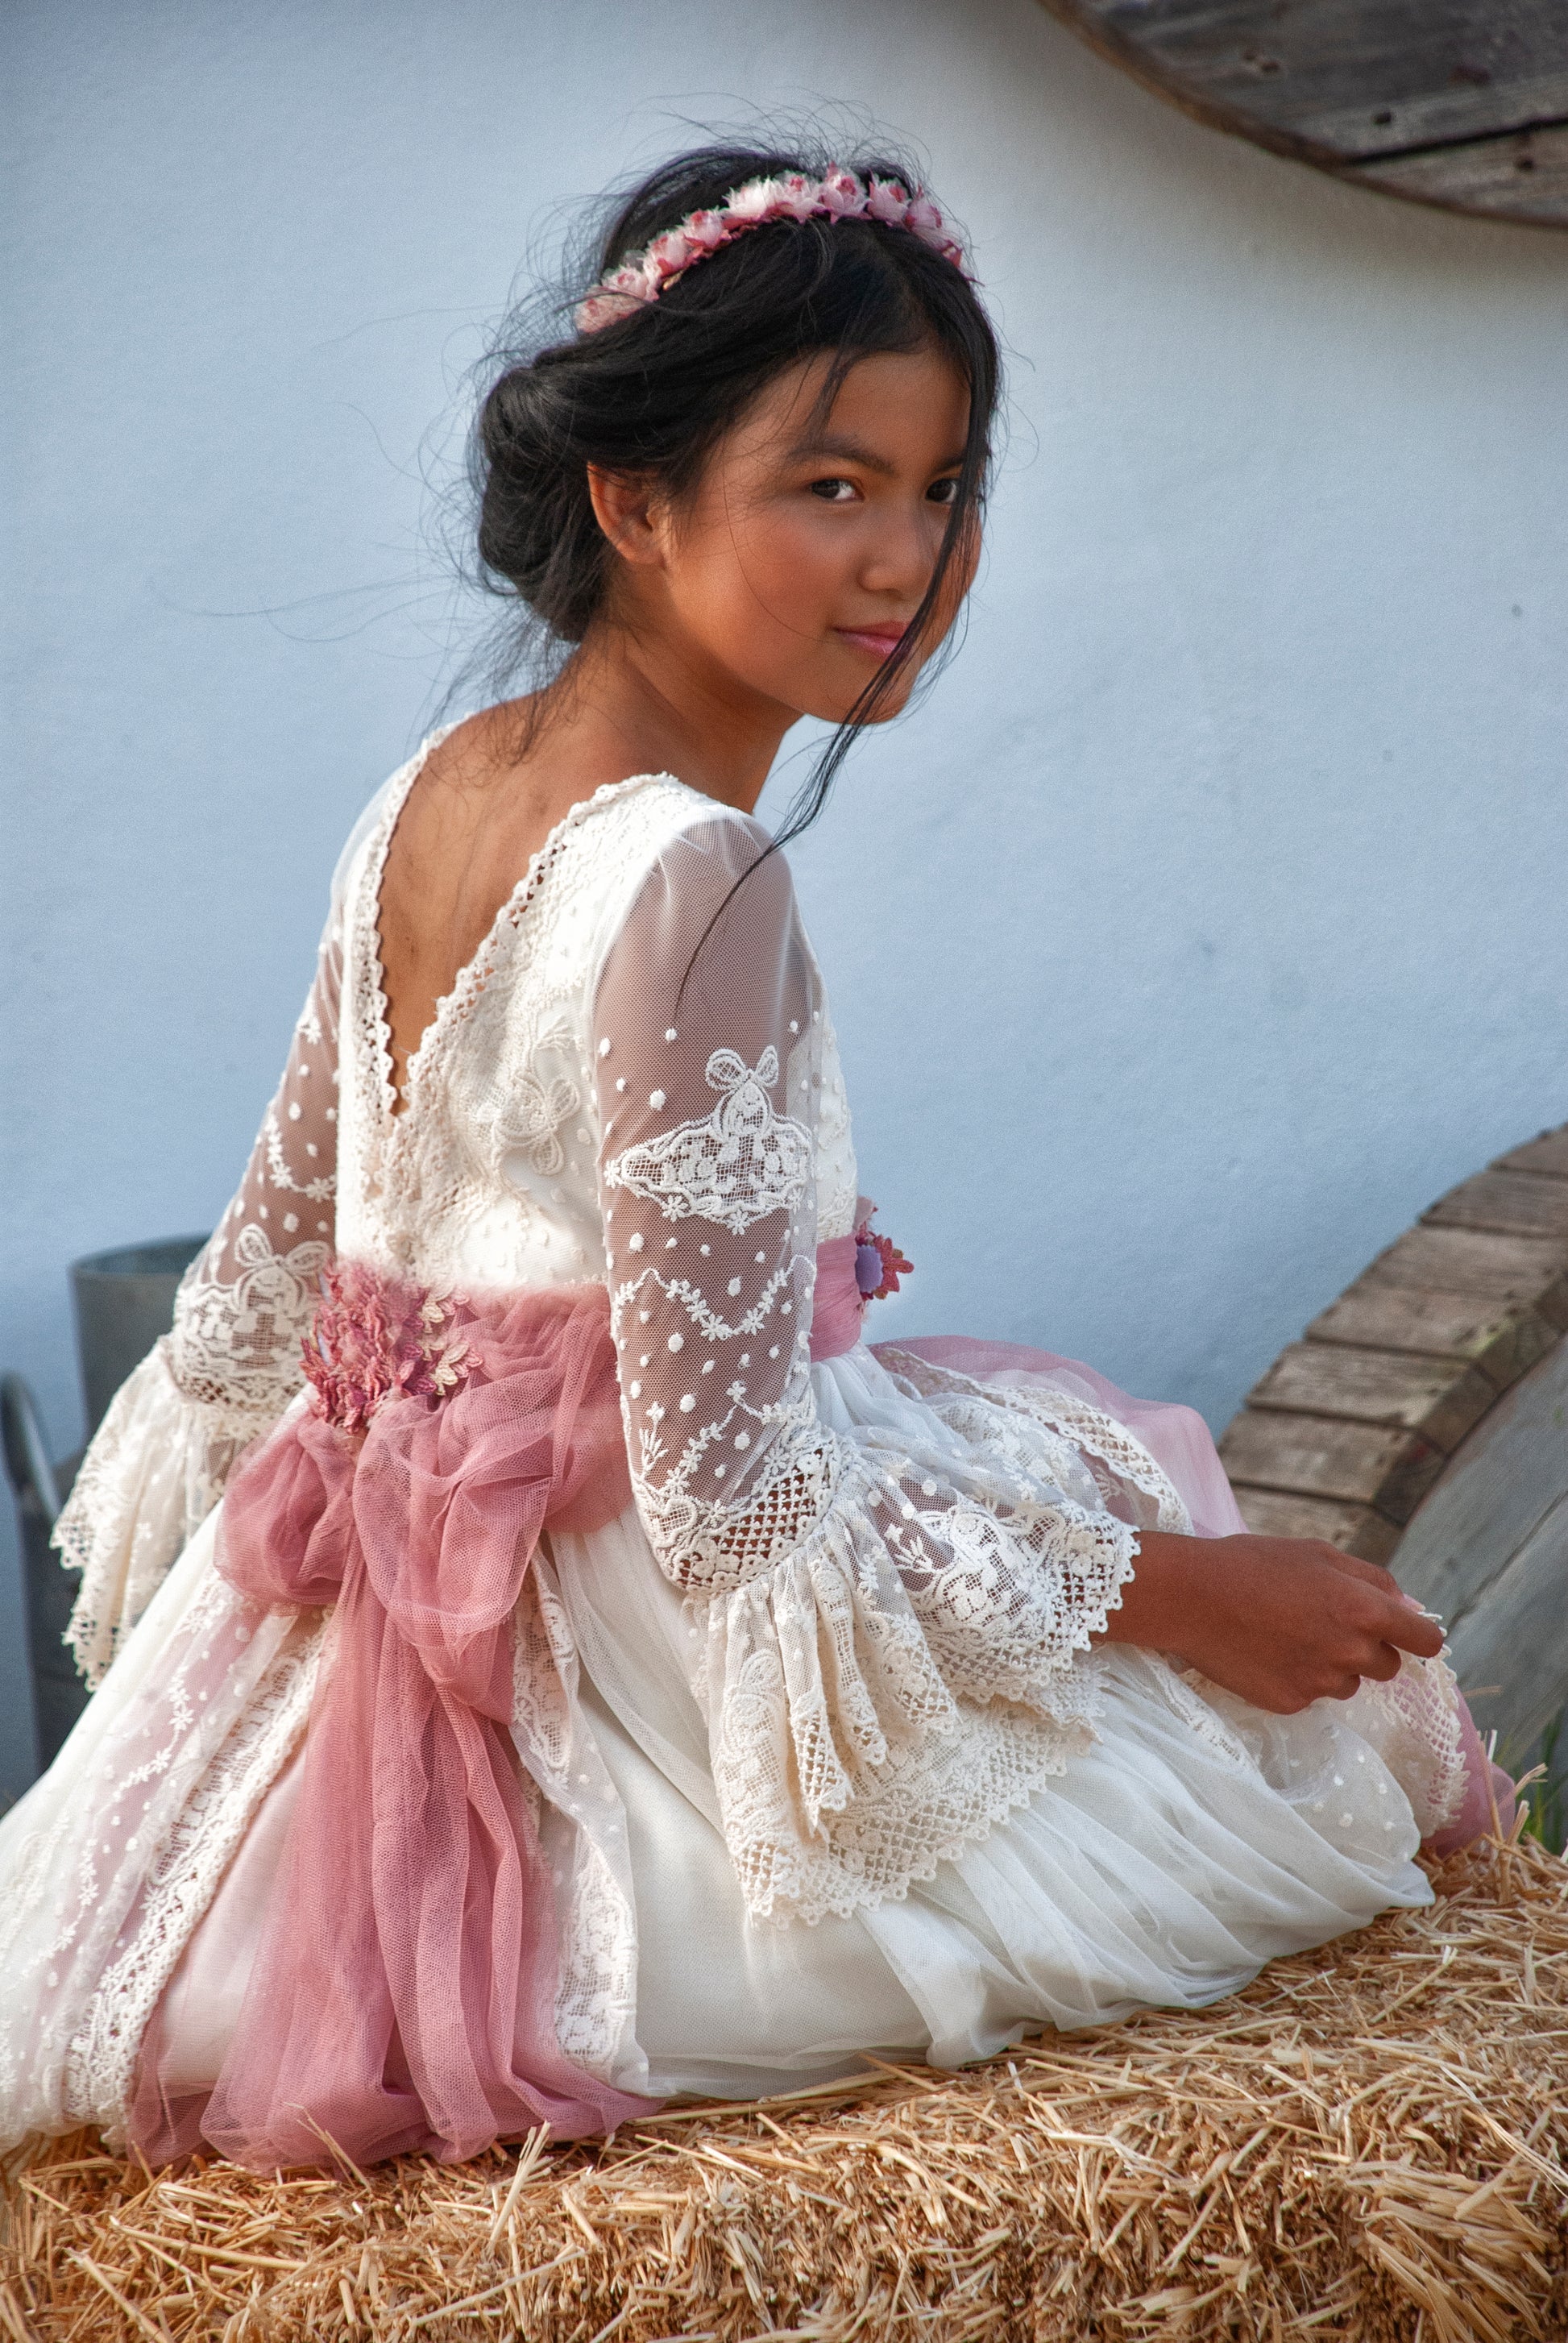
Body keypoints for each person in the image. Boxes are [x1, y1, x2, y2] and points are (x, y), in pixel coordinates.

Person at [0, 143, 1505, 2177]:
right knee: (1266, 1780)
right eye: (831, 485)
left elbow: (260, 1304)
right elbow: (725, 1494)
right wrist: (1188, 1596)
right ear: (631, 502)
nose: (906, 559)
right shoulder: (693, 873)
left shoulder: (428, 793)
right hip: (611, 1692)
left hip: (394, 1642)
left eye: (943, 485)